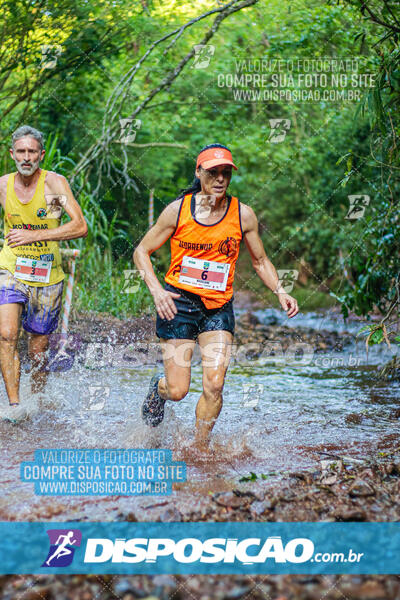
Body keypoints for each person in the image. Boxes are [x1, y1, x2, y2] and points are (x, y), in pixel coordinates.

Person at [133, 143, 298, 450]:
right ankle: (159, 390)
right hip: (178, 304)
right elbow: (141, 251)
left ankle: (199, 446)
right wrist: (156, 290)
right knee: (178, 390)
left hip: (218, 308)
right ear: (199, 173)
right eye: (213, 172)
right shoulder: (177, 210)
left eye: (226, 173)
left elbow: (261, 261)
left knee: (215, 383)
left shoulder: (243, 215)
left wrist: (280, 290)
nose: (220, 179)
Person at [0, 125, 87, 408]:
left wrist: (34, 235)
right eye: (21, 152)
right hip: (11, 267)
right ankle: (14, 406)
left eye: (32, 152)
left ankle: (36, 402)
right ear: (12, 154)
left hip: (47, 273)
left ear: (41, 155)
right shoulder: (3, 185)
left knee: (38, 351)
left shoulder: (53, 185)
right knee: (6, 334)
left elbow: (79, 226)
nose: (26, 157)